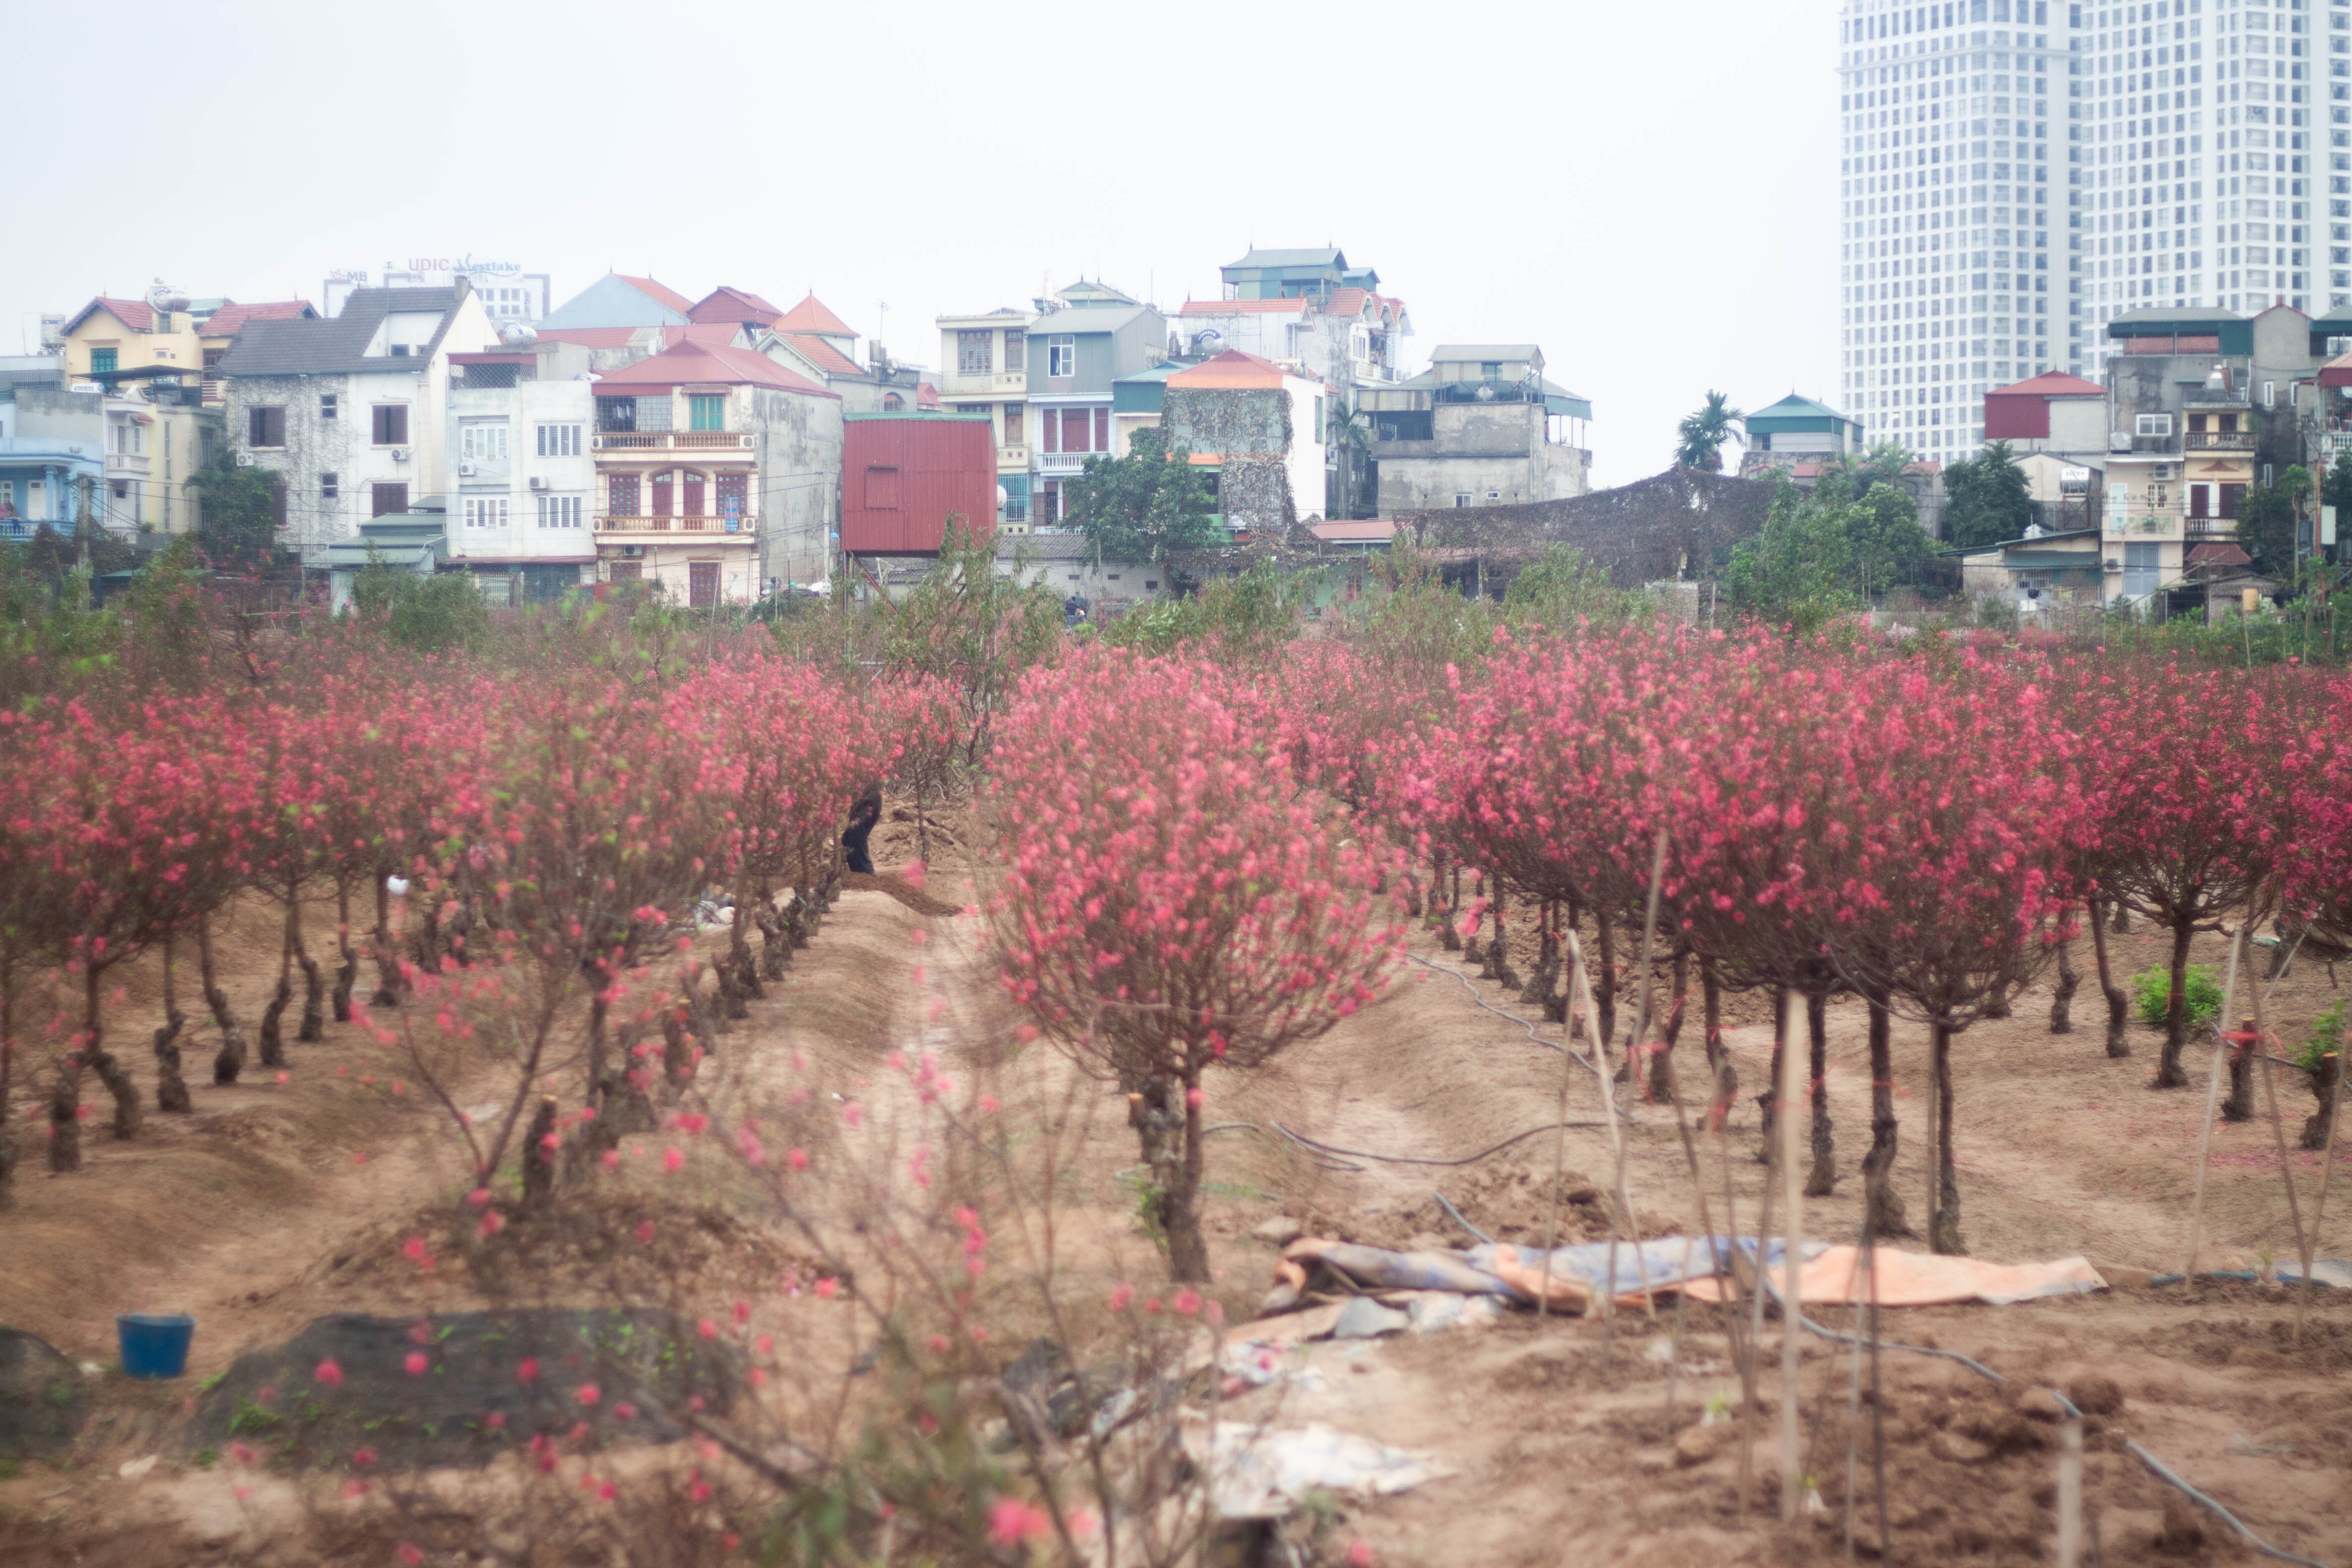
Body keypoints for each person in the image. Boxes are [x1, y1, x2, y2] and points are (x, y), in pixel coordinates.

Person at [841, 785, 883, 875]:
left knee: (856, 836)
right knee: (847, 838)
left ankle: (867, 875)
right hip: (865, 801)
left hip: (869, 802)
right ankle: (857, 873)